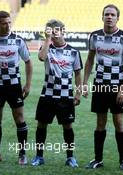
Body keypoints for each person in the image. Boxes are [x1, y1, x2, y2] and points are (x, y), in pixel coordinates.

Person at [82, 4, 123, 171]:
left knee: (119, 122)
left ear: (118, 18)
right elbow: (89, 60)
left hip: (117, 85)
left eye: (112, 14)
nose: (109, 17)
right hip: (100, 85)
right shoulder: (95, 36)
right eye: (106, 14)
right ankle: (98, 159)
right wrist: (84, 83)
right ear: (102, 17)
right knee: (100, 122)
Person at [0, 11, 33, 165]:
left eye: (10, 22)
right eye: (4, 23)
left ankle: (22, 154)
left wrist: (28, 85)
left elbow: (28, 61)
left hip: (14, 85)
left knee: (19, 118)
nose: (8, 25)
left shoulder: (18, 40)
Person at [31, 19, 82, 168]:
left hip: (66, 96)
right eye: (50, 31)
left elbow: (78, 73)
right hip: (47, 94)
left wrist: (78, 93)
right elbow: (41, 57)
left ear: (63, 30)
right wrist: (47, 39)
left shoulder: (73, 51)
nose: (53, 34)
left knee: (68, 126)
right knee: (41, 125)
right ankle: (39, 157)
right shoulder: (47, 47)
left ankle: (70, 157)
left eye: (55, 31)